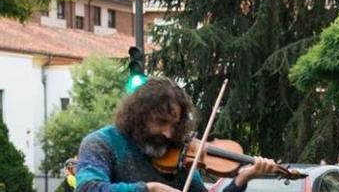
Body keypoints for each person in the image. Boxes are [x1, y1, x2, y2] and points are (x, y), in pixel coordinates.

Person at [76, 77, 276, 192]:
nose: (168, 133)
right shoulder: (101, 143)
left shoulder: (181, 153)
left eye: (175, 124)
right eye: (160, 122)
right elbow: (87, 188)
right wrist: (149, 189)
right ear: (138, 115)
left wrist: (242, 179)